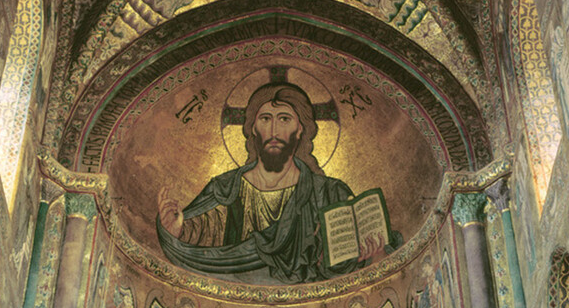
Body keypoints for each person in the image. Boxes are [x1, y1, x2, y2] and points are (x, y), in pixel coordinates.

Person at [157, 82, 400, 284]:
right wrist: (176, 230)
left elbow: (336, 265)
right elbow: (205, 233)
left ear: (300, 130)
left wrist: (373, 257)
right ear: (252, 128)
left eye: (284, 119)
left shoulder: (328, 192)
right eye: (265, 118)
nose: (274, 130)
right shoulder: (226, 188)